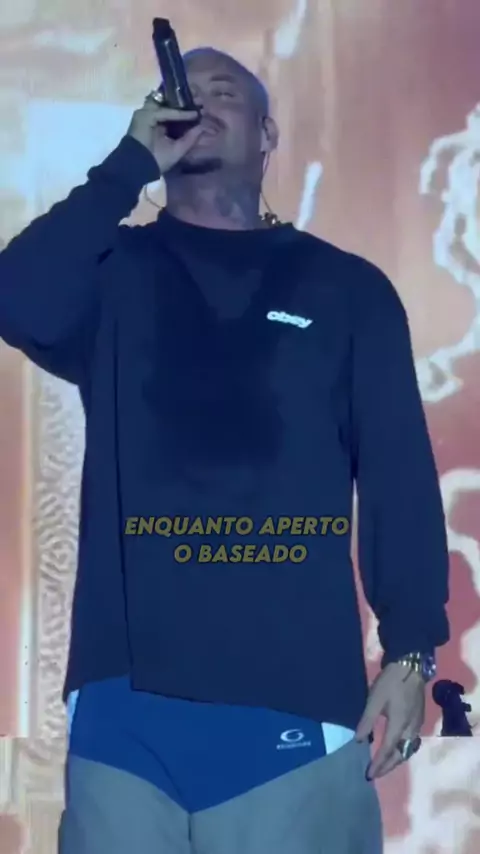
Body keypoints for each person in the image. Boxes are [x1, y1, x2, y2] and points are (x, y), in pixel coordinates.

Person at [0, 46, 449, 854]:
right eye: (182, 91)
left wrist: (412, 650)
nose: (199, 102)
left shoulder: (346, 289)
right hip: (122, 714)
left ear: (268, 133)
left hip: (291, 704)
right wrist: (127, 166)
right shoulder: (112, 273)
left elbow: (398, 476)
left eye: (224, 92)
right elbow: (15, 294)